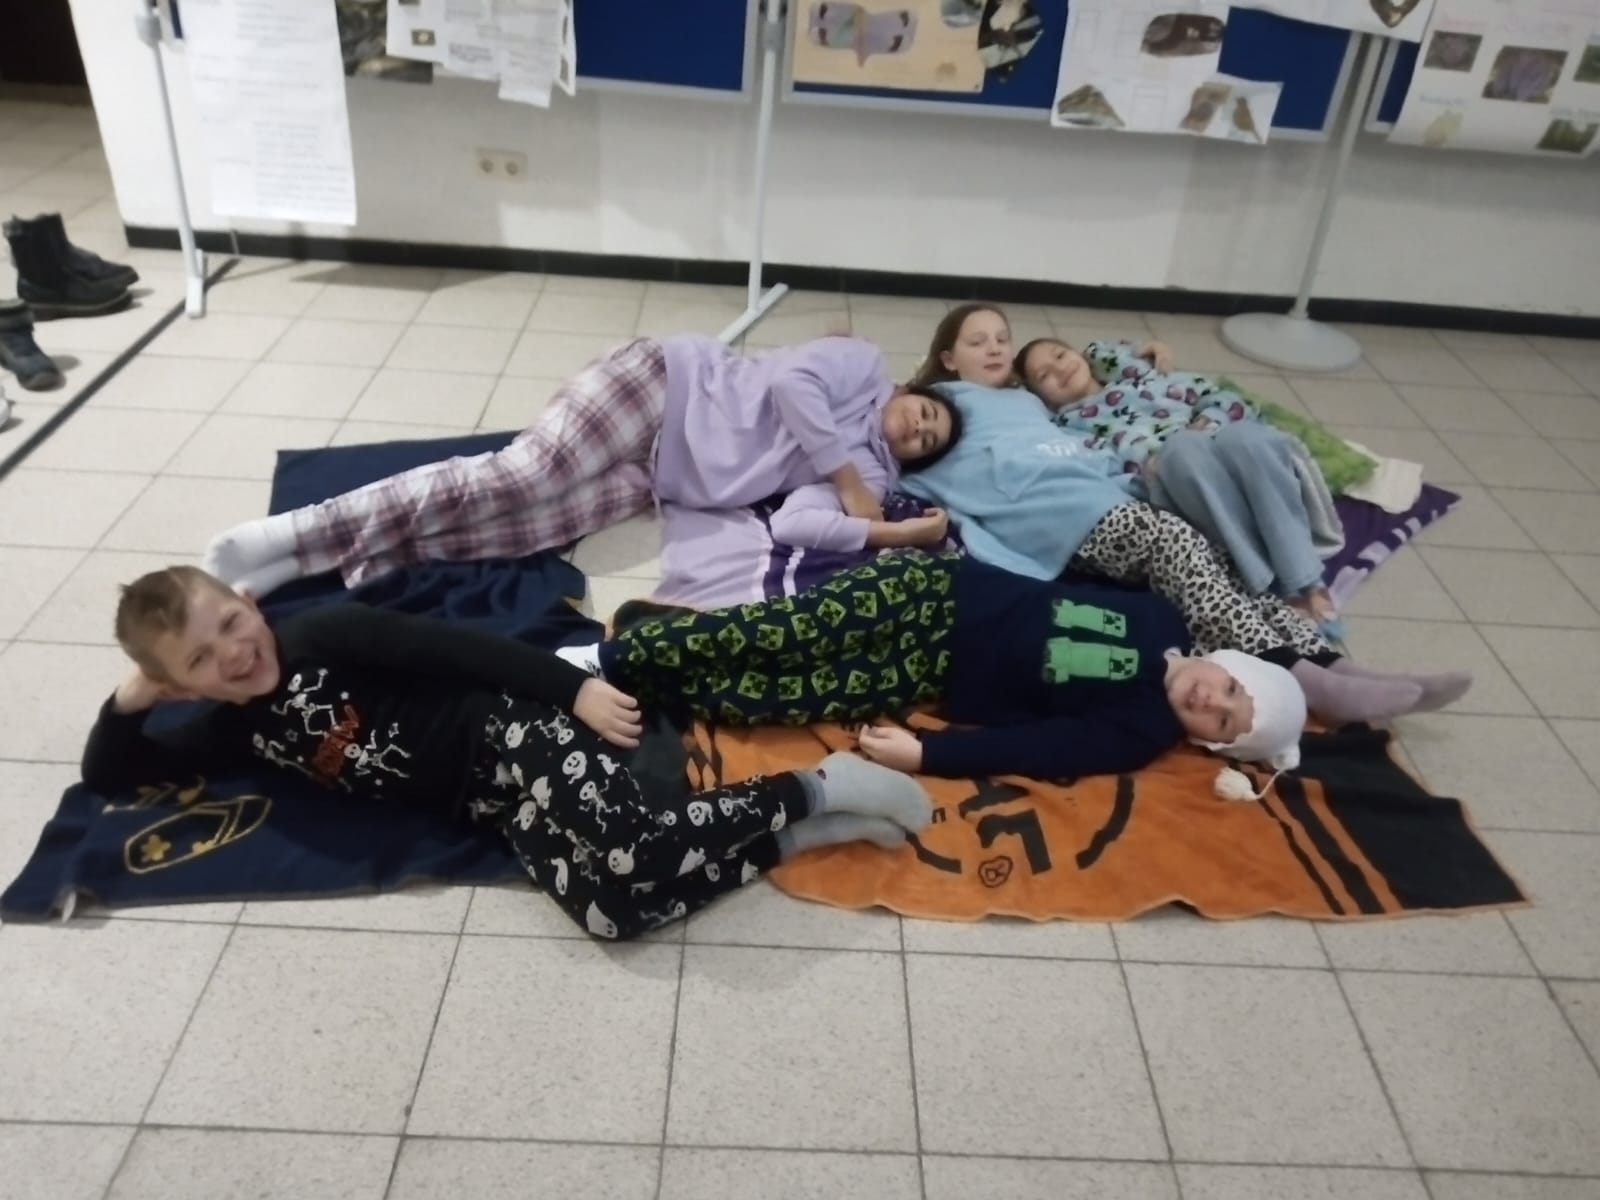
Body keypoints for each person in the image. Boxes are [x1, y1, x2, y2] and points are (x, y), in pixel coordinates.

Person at [83, 566, 937, 941]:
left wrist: (571, 692)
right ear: (183, 687)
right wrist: (131, 700)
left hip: (508, 727)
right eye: (202, 660)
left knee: (637, 847)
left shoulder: (322, 633)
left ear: (247, 601)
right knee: (614, 915)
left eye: (232, 622)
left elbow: (457, 648)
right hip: (487, 805)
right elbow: (111, 774)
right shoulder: (228, 727)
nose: (234, 653)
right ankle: (799, 836)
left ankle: (822, 786)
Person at [890, 361, 1471, 725]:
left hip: (1120, 500)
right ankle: (1298, 675)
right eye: (917, 434)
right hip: (1083, 531)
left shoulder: (1000, 410)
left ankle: (1341, 667)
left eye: (928, 417)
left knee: (1227, 579)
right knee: (1175, 542)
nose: (920, 427)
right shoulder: (924, 477)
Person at [202, 334, 957, 596]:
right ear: (912, 390)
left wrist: (894, 532)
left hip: (659, 479)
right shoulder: (862, 366)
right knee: (517, 478)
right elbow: (793, 385)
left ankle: (312, 562)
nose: (918, 428)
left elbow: (797, 523)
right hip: (665, 387)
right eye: (926, 412)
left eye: (928, 440)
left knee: (518, 531)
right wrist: (848, 479)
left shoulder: (877, 476)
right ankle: (299, 527)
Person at [556, 549, 1307, 782]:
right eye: (1231, 689)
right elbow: (1064, 576)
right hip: (937, 589)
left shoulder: (1141, 730)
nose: (1212, 702)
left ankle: (643, 676)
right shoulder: (1163, 615)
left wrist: (928, 755)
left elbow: (1043, 748)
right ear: (1227, 663)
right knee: (786, 631)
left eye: (1224, 723)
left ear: (1210, 743)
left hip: (930, 674)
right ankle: (605, 656)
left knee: (780, 695)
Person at [918, 304, 1343, 631]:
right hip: (1174, 474)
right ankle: (1285, 585)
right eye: (978, 342)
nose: (993, 348)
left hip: (1225, 445)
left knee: (1248, 438)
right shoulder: (1064, 422)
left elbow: (1219, 398)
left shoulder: (1137, 377)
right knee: (1183, 452)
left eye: (1001, 339)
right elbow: (1083, 462)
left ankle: (1305, 578)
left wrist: (1143, 355)